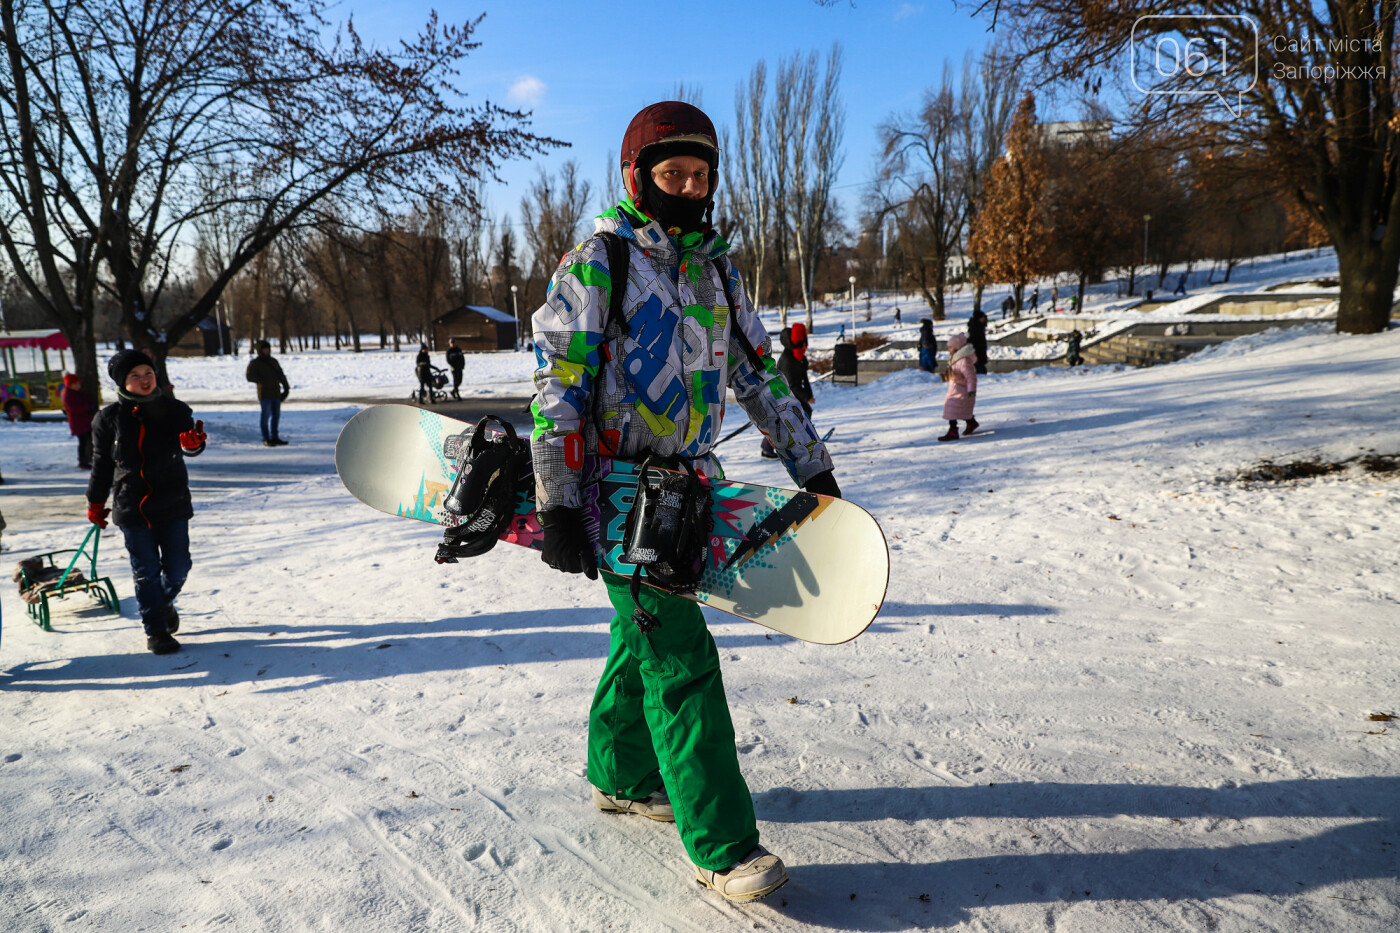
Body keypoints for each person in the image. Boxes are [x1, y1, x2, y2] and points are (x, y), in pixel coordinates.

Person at [530, 100, 839, 904]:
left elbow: (759, 371)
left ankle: (620, 773)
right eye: (674, 174)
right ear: (639, 176)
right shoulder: (600, 261)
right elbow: (559, 384)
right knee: (679, 652)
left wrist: (811, 466)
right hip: (617, 490)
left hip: (687, 488)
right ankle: (722, 842)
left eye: (701, 175)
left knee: (642, 636)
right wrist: (559, 501)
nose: (690, 187)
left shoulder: (714, 267)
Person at [87, 349, 207, 654]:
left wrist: (193, 445)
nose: (144, 380)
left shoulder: (175, 410)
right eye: (135, 376)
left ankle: (162, 603)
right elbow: (102, 464)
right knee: (146, 571)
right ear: (121, 382)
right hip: (132, 506)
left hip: (173, 502)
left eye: (148, 374)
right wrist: (96, 503)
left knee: (179, 567)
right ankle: (156, 630)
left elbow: (189, 444)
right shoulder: (108, 419)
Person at [760, 322, 814, 459]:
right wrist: (805, 397)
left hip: (790, 395)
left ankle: (801, 440)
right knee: (780, 422)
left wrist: (808, 395)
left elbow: (804, 378)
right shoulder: (788, 361)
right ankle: (767, 449)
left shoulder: (799, 359)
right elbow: (791, 385)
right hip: (779, 395)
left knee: (804, 413)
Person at [245, 340, 289, 446]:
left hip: (276, 393)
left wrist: (286, 388)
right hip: (264, 394)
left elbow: (281, 375)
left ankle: (275, 436)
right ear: (260, 350)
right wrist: (262, 380)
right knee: (265, 415)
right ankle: (266, 437)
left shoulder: (274, 361)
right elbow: (249, 377)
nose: (266, 351)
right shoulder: (255, 363)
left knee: (276, 416)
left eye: (268, 349)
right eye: (264, 349)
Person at [938, 333, 979, 441]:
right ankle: (971, 422)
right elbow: (956, 374)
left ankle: (953, 431)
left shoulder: (963, 361)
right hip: (955, 390)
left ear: (957, 347)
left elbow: (971, 377)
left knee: (952, 411)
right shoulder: (955, 359)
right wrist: (947, 376)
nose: (949, 349)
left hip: (962, 392)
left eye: (951, 347)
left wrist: (971, 390)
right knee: (957, 410)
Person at [61, 373, 99, 470]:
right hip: (78, 423)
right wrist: (87, 407)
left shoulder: (78, 392)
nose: (78, 386)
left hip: (85, 421)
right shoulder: (68, 394)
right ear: (70, 385)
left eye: (79, 384)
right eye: (76, 384)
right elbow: (74, 409)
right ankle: (83, 461)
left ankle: (87, 460)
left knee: (89, 441)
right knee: (83, 442)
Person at [966, 309, 989, 376]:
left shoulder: (978, 327)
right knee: (980, 373)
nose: (985, 320)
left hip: (978, 355)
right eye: (983, 318)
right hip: (977, 356)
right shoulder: (976, 328)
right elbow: (973, 342)